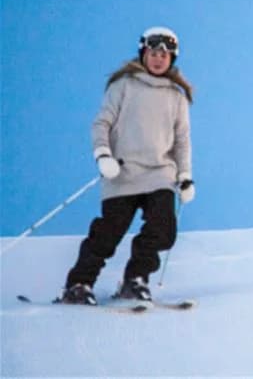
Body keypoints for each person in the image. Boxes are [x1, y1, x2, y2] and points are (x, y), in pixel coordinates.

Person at [57, 26, 195, 305]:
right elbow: (102, 123)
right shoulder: (124, 86)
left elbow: (182, 140)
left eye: (165, 55)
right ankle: (79, 285)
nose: (159, 59)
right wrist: (103, 155)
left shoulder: (176, 96)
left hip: (160, 174)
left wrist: (185, 176)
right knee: (108, 234)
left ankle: (136, 280)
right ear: (144, 53)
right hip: (122, 172)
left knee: (163, 229)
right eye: (154, 53)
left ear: (172, 60)